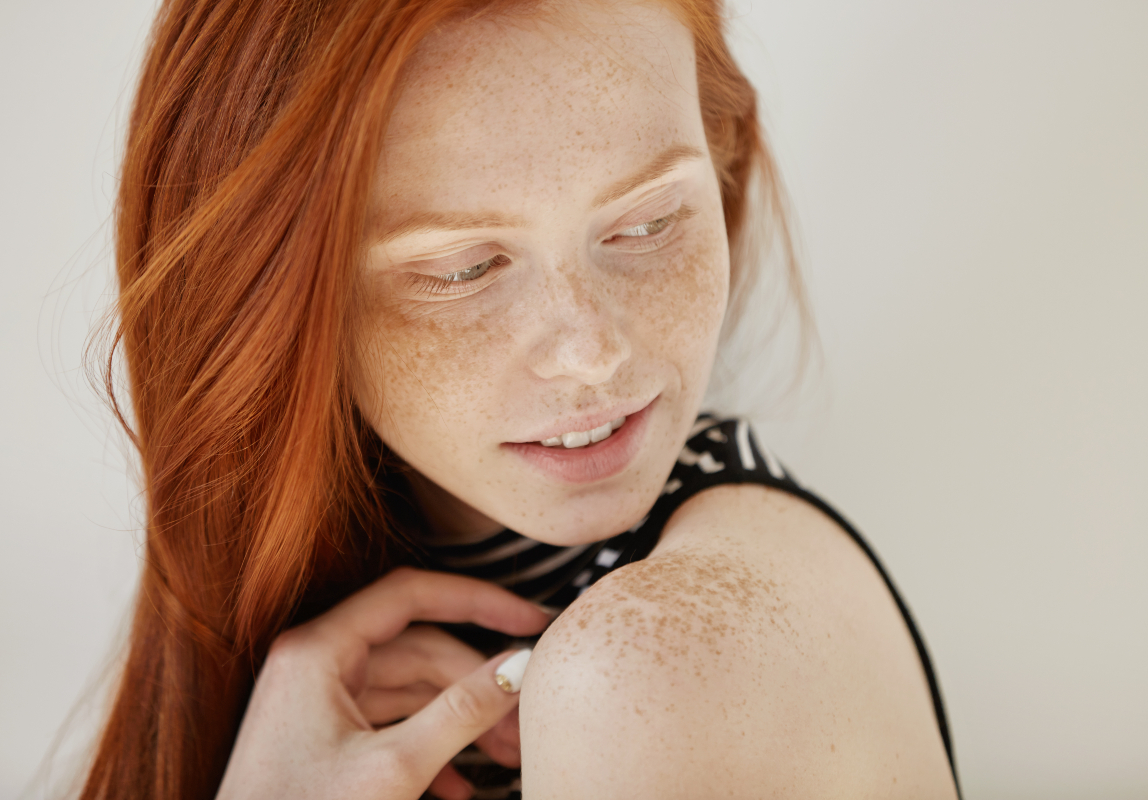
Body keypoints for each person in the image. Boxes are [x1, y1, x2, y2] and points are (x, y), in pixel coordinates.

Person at [81, 0, 960, 797]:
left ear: (720, 162)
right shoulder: (315, 595)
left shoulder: (645, 673)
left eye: (649, 222)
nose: (590, 354)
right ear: (271, 298)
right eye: (462, 271)